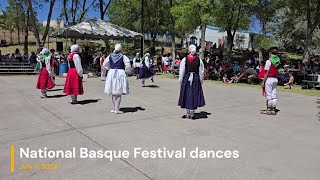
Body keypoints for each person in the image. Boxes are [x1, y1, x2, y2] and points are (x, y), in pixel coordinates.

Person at [178, 44, 205, 119]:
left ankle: (187, 113)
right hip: (195, 79)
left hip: (187, 78)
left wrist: (180, 80)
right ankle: (192, 113)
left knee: (187, 94)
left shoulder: (184, 59)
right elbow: (201, 72)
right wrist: (201, 80)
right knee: (194, 94)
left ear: (189, 50)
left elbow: (182, 71)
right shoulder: (199, 60)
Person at [103, 43, 131, 114]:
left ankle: (115, 108)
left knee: (113, 91)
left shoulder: (110, 56)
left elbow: (105, 64)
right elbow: (127, 65)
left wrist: (110, 69)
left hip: (112, 72)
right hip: (120, 73)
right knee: (118, 92)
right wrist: (127, 71)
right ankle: (117, 109)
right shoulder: (123, 56)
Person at [260, 47, 280, 115]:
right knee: (274, 94)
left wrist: (263, 81)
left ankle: (269, 109)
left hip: (269, 79)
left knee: (269, 94)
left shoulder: (269, 61)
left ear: (270, 53)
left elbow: (266, 72)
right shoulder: (278, 60)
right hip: (275, 79)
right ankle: (273, 109)